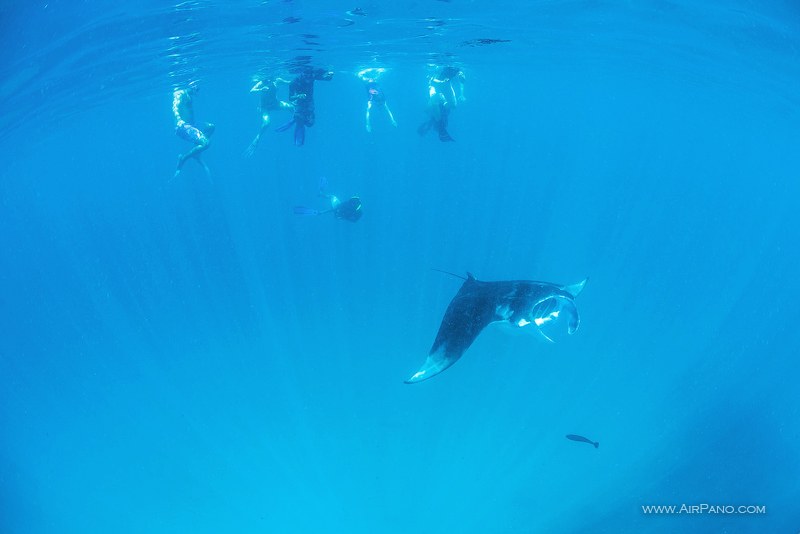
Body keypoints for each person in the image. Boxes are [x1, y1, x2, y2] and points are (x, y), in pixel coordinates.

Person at [276, 66, 334, 146]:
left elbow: (326, 78)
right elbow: (290, 98)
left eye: (310, 74)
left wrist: (329, 74)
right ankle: (297, 136)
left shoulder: (311, 76)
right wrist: (298, 96)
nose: (308, 77)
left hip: (310, 103)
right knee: (300, 122)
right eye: (306, 75)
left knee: (310, 124)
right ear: (301, 73)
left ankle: (295, 119)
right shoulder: (294, 82)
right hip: (299, 103)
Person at [172, 81, 215, 179]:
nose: (197, 90)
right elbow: (175, 106)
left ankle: (196, 151)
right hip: (183, 127)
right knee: (206, 143)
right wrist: (179, 120)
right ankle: (183, 158)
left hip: (192, 125)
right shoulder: (181, 93)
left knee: (211, 127)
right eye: (196, 88)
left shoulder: (188, 94)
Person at [244, 76, 293, 156]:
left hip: (275, 104)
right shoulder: (261, 83)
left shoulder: (278, 80)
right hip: (264, 107)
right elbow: (251, 91)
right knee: (266, 123)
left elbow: (289, 82)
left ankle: (298, 119)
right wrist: (260, 89)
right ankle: (257, 138)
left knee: (291, 107)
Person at [418, 66, 466, 142]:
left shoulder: (456, 69)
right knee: (436, 103)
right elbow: (430, 79)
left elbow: (461, 80)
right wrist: (441, 82)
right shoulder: (438, 68)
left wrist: (462, 94)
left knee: (452, 106)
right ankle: (440, 126)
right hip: (435, 87)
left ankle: (437, 121)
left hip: (443, 86)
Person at [293, 177, 362, 222]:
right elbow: (354, 220)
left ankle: (321, 194)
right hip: (340, 216)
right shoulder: (357, 210)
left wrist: (323, 212)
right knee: (333, 209)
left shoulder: (348, 204)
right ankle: (319, 211)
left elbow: (337, 207)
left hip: (338, 211)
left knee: (333, 197)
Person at [357, 67, 397, 133]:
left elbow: (388, 110)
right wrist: (368, 125)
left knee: (372, 78)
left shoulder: (381, 99)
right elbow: (368, 112)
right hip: (369, 83)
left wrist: (393, 120)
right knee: (360, 75)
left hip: (375, 83)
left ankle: (379, 71)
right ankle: (371, 71)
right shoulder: (372, 98)